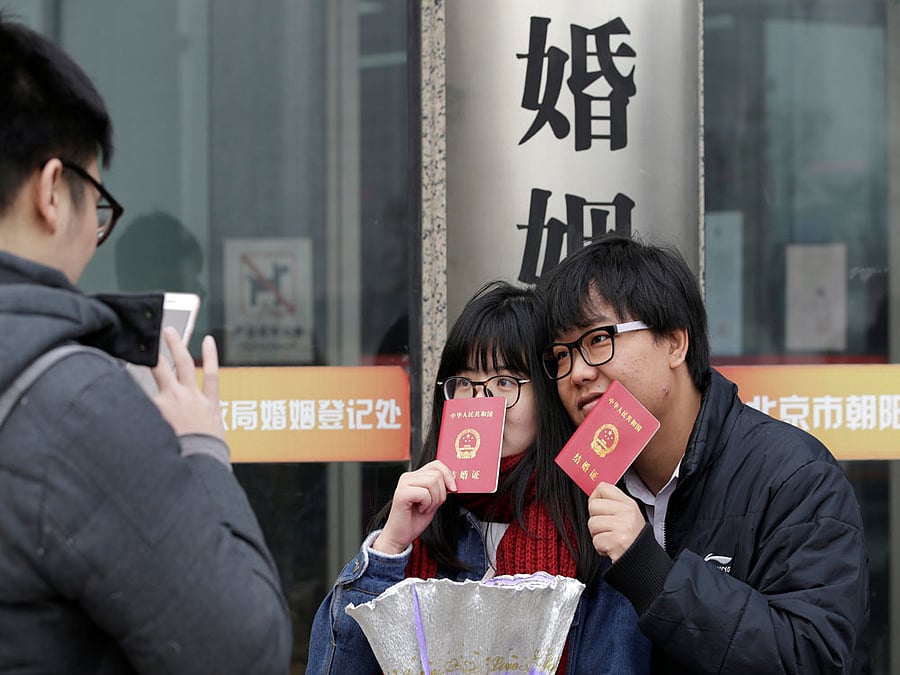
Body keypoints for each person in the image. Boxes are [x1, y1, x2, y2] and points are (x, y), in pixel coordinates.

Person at [0, 14, 291, 673]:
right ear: (53, 192)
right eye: (96, 204)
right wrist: (200, 446)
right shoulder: (76, 405)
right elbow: (244, 652)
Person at [538, 234, 870, 673]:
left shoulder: (795, 475)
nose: (577, 372)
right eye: (561, 355)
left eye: (599, 339)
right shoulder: (576, 483)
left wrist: (649, 570)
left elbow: (811, 656)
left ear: (675, 342)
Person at [307, 281, 651, 674]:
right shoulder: (418, 525)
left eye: (505, 382)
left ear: (546, 392)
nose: (482, 403)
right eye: (466, 384)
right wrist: (391, 545)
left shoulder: (597, 528)